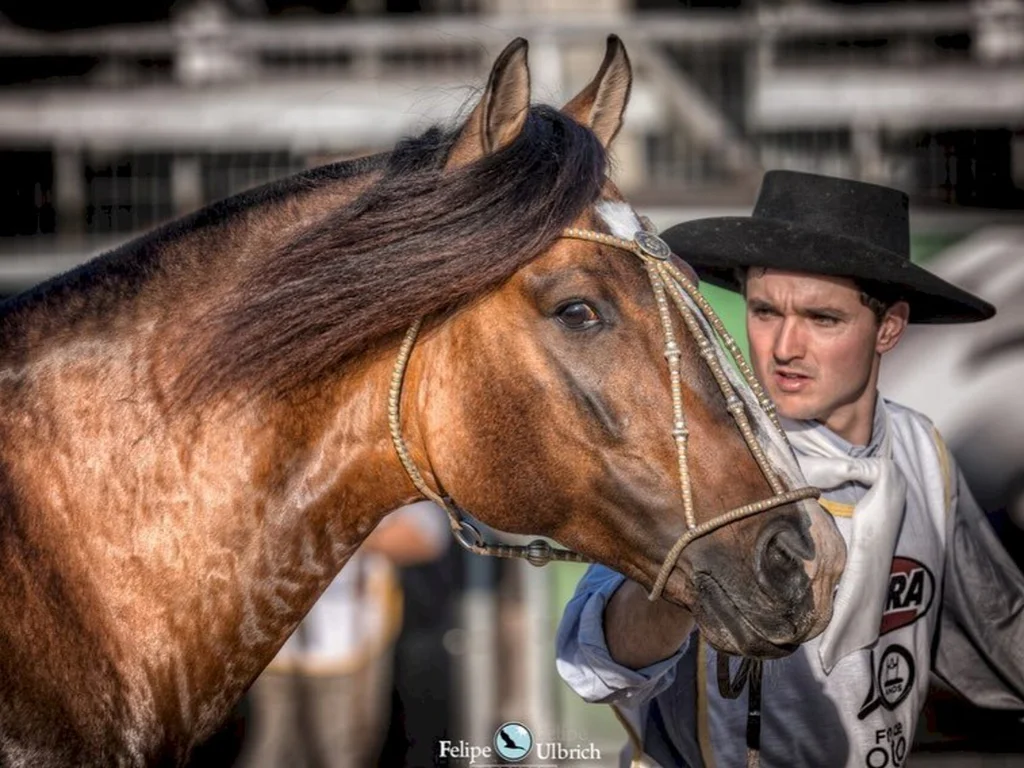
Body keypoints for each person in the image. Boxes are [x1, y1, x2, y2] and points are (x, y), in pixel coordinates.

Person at [556, 170, 1024, 768]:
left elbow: (999, 629)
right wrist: (688, 584)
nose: (784, 347)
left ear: (889, 327)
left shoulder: (921, 450)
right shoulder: (703, 454)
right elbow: (598, 662)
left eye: (822, 319)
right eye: (765, 311)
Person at [235, 500, 449, 768]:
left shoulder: (376, 466)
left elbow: (429, 534)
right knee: (269, 751)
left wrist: (347, 534)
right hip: (269, 650)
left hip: (349, 644)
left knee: (342, 752)